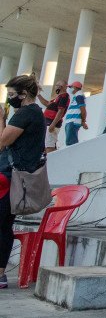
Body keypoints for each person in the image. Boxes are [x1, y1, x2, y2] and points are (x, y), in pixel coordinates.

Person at [1, 75, 47, 289]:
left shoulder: (27, 113)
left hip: (9, 177)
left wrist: (1, 118)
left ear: (24, 94)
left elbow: (2, 141)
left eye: (12, 95)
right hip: (12, 175)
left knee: (2, 226)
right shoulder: (33, 113)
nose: (10, 99)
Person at [38, 80, 68, 153]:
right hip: (48, 123)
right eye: (56, 85)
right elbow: (47, 103)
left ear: (62, 87)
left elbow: (60, 111)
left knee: (49, 145)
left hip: (51, 124)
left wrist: (53, 124)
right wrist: (38, 94)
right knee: (46, 144)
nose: (56, 87)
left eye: (58, 85)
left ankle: (50, 162)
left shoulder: (64, 96)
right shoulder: (57, 98)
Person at [62, 80, 87, 146]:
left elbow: (83, 110)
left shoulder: (79, 96)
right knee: (70, 141)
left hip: (73, 122)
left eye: (70, 87)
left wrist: (83, 121)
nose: (69, 89)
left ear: (75, 87)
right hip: (71, 122)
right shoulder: (77, 96)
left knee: (71, 143)